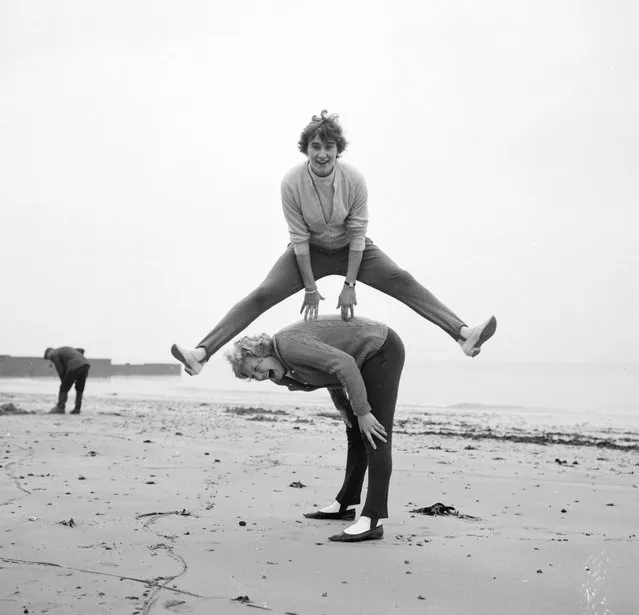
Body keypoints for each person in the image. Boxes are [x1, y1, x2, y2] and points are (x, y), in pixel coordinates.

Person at [172, 110, 496, 376]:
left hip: (353, 248)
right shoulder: (291, 183)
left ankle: (463, 334)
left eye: (329, 146)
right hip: (308, 251)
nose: (323, 153)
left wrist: (350, 283)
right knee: (262, 294)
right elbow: (298, 239)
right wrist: (311, 288)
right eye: (316, 146)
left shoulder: (353, 179)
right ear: (306, 150)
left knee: (402, 280)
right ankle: (202, 353)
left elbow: (357, 234)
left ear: (338, 150)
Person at [225, 314, 405, 543]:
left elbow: (344, 364)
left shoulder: (289, 346)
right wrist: (343, 407)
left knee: (374, 433)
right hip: (360, 362)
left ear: (263, 352)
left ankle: (372, 519)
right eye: (252, 376)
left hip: (380, 349)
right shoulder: (283, 373)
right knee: (355, 431)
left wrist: (362, 411)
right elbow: (328, 372)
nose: (260, 376)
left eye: (257, 367)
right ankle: (347, 502)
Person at [44, 346, 90, 415]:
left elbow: (60, 370)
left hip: (74, 365)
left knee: (63, 387)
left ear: (50, 351)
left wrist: (64, 382)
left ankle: (60, 408)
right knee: (80, 388)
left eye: (49, 357)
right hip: (85, 365)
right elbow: (81, 350)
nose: (51, 360)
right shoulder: (65, 349)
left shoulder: (54, 353)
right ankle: (77, 409)